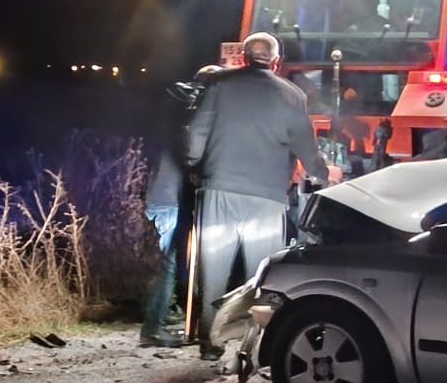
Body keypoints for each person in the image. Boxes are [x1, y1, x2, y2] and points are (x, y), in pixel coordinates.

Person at [184, 32, 323, 357]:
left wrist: (194, 164)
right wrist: (322, 173)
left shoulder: (218, 86)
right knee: (260, 276)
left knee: (212, 269)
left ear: (244, 57)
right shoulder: (293, 96)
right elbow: (307, 147)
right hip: (267, 198)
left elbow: (197, 132)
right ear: (276, 62)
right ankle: (255, 345)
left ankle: (211, 342)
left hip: (218, 188)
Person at [138, 80, 199, 346]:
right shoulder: (184, 129)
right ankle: (154, 327)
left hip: (163, 199)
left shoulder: (169, 122)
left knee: (175, 262)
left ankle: (170, 316)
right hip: (169, 202)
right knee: (171, 263)